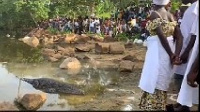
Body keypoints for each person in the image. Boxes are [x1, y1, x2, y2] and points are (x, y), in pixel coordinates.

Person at [138, 0, 182, 111]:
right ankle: (159, 106)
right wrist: (176, 55)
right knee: (161, 81)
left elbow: (161, 36)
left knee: (154, 80)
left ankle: (154, 107)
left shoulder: (154, 13)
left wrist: (171, 54)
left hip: (159, 54)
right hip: (167, 55)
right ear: (167, 3)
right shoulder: (171, 16)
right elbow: (180, 37)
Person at [174, 0, 199, 111]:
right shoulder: (192, 8)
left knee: (182, 79)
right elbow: (193, 33)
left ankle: (184, 105)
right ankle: (182, 103)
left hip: (191, 56)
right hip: (188, 54)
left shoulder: (195, 8)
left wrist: (186, 52)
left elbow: (193, 37)